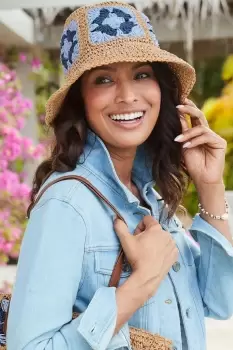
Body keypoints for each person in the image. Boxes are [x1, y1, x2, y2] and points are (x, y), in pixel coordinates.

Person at [6, 2, 233, 350]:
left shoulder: (152, 199)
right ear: (80, 100)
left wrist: (210, 186)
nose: (128, 96)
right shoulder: (67, 204)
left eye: (142, 74)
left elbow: (220, 302)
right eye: (105, 79)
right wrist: (140, 283)